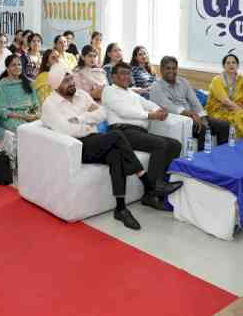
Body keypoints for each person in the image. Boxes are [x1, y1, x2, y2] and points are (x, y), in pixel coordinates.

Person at [41, 64, 158, 230]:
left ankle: (121, 208)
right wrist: (89, 123)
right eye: (66, 80)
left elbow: (102, 113)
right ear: (56, 84)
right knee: (117, 136)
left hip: (94, 140)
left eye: (71, 78)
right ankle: (147, 182)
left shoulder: (81, 95)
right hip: (76, 147)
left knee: (116, 155)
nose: (71, 82)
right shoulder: (50, 105)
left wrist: (81, 118)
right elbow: (67, 130)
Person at [102, 62, 182, 210]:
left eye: (128, 73)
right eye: (122, 73)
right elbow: (124, 112)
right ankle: (151, 193)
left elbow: (148, 103)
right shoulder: (109, 91)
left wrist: (160, 110)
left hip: (138, 132)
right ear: (113, 77)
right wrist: (151, 115)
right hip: (121, 132)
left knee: (175, 144)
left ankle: (160, 184)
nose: (127, 76)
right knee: (160, 144)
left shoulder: (131, 93)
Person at [150, 56, 230, 150]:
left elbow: (194, 101)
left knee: (224, 125)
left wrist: (203, 117)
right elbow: (168, 106)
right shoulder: (156, 86)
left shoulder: (183, 82)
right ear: (161, 69)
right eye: (168, 68)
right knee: (202, 129)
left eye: (174, 68)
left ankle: (221, 156)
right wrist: (190, 114)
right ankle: (202, 161)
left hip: (193, 116)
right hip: (179, 119)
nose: (171, 71)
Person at [205, 54, 243, 139]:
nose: (231, 65)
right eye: (228, 63)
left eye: (234, 62)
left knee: (239, 116)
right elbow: (225, 101)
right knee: (238, 117)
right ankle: (237, 144)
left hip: (235, 110)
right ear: (223, 66)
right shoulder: (217, 80)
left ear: (237, 65)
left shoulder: (242, 80)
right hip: (217, 111)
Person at [0, 55, 39, 142]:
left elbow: (35, 103)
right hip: (10, 118)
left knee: (44, 129)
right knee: (26, 132)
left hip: (29, 115)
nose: (17, 67)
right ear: (7, 68)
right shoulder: (2, 86)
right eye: (13, 65)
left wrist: (34, 115)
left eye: (19, 65)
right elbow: (2, 111)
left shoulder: (29, 83)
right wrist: (23, 116)